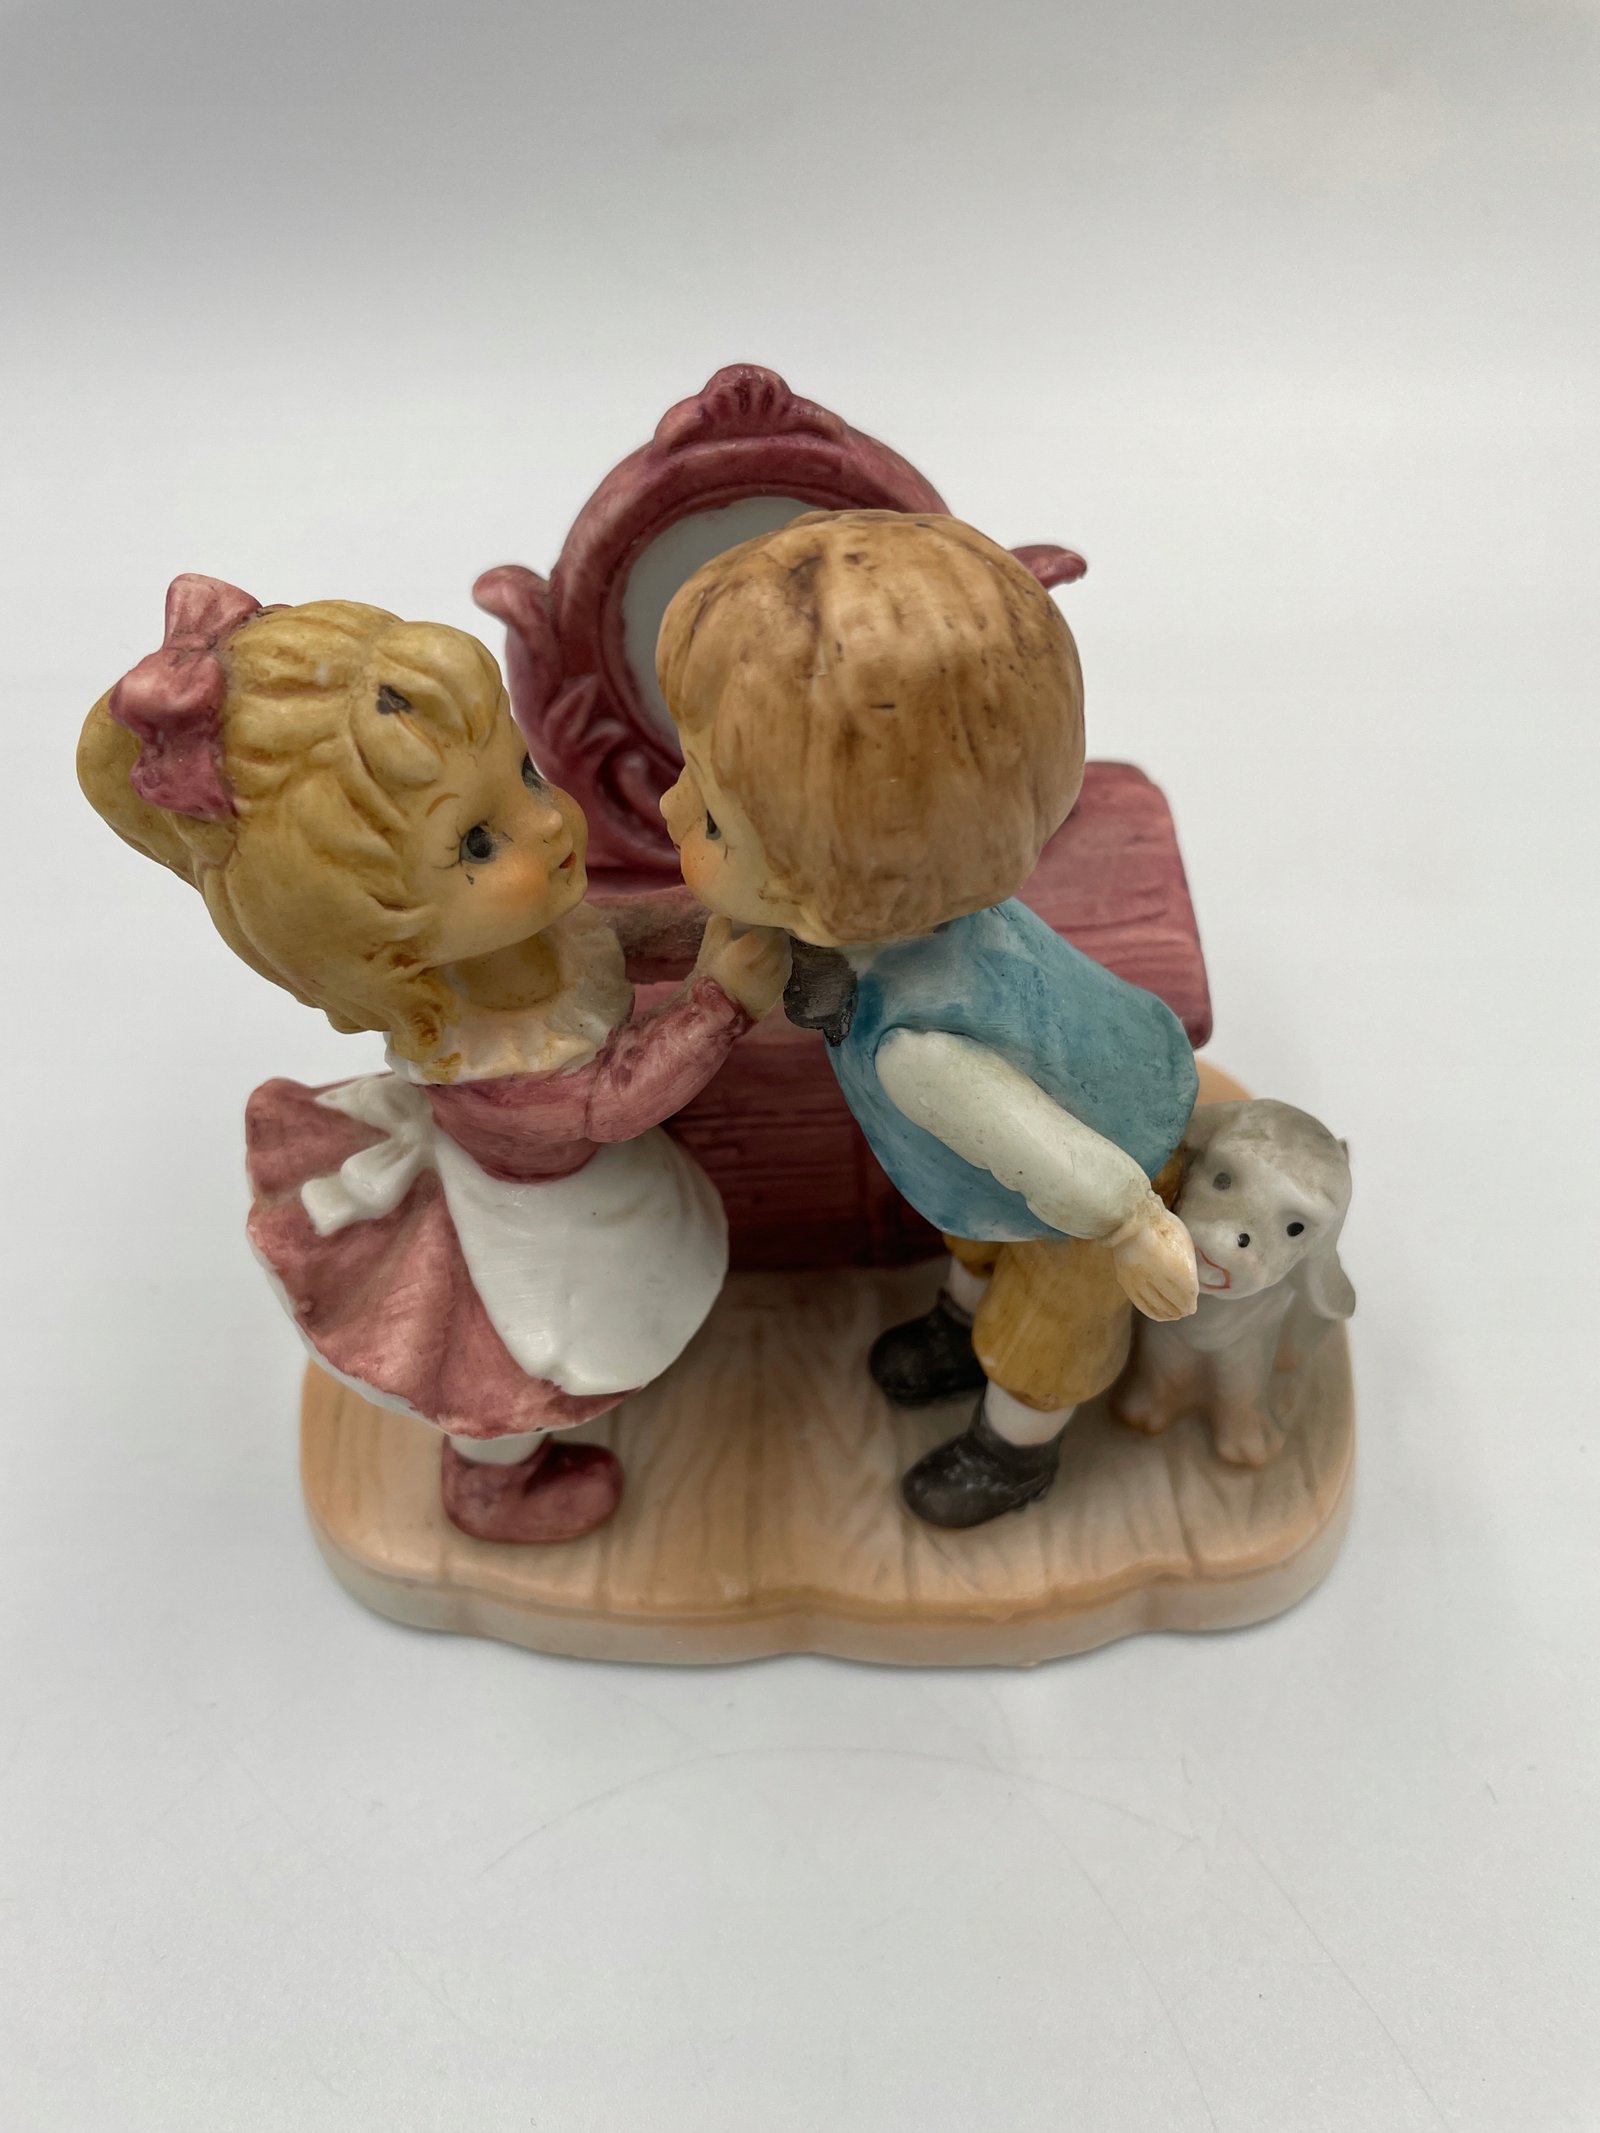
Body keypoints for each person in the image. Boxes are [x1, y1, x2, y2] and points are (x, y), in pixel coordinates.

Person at [79, 576, 788, 1543]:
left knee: (623, 1309)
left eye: (525, 774)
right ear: (383, 946)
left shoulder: (523, 931)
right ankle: (492, 1482)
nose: (549, 822)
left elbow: (616, 938)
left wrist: (716, 916)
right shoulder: (477, 1047)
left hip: (592, 1175)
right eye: (479, 843)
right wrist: (717, 1006)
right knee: (520, 1360)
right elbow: (608, 1101)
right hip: (533, 1213)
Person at [655, 510, 1198, 1528]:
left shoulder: (922, 1048)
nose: (669, 812)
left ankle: (1013, 1448)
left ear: (844, 879)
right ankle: (959, 1315)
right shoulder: (922, 905)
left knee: (1042, 1335)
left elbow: (1053, 1161)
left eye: (714, 818)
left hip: (1101, 1175)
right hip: (1005, 1164)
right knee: (977, 1232)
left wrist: (1133, 1227)